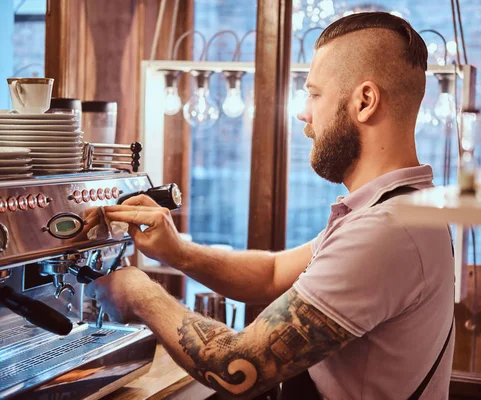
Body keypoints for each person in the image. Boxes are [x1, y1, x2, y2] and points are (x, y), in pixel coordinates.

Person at [88, 11, 455, 400]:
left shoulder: (386, 232)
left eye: (314, 94)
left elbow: (237, 366)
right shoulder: (399, 209)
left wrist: (139, 293)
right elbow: (272, 273)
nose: (303, 112)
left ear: (364, 101)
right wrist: (177, 253)